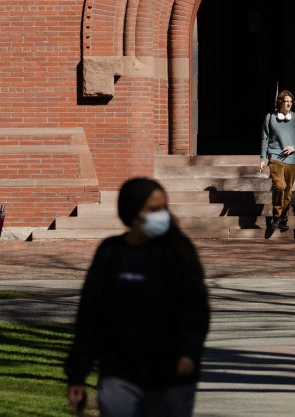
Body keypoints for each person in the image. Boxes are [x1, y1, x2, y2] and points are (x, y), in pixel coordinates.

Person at [65, 177, 210, 417]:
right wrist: (78, 374)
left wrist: (189, 352)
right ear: (133, 212)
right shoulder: (112, 253)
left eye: (164, 208)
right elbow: (90, 314)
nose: (161, 215)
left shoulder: (177, 251)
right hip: (120, 373)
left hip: (172, 374)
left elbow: (196, 309)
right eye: (153, 209)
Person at [260, 89, 295, 231]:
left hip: (291, 159)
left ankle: (284, 217)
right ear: (280, 102)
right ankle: (276, 215)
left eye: (290, 101)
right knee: (279, 186)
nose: (288, 104)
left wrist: (294, 147)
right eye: (286, 101)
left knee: (288, 190)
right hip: (275, 156)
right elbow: (264, 140)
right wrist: (263, 158)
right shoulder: (270, 117)